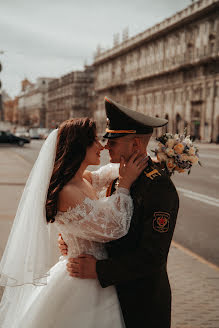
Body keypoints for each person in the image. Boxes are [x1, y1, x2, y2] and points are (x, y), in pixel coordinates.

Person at [0, 118, 148, 328]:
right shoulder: (68, 191)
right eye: (94, 141)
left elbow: (106, 173)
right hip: (82, 283)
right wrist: (124, 185)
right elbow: (114, 228)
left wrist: (144, 156)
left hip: (95, 276)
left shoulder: (84, 179)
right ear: (78, 147)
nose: (102, 146)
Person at [60, 97, 179, 328]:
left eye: (113, 142)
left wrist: (98, 269)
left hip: (141, 302)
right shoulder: (120, 176)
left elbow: (153, 256)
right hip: (111, 294)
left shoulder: (157, 185)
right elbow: (103, 223)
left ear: (135, 145)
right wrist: (75, 234)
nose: (106, 147)